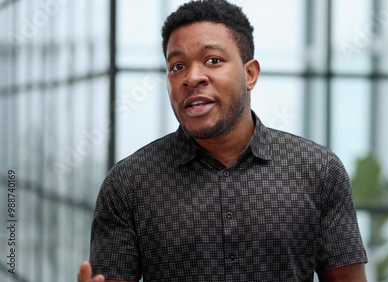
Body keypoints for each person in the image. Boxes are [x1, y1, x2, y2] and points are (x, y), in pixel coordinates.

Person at [78, 0, 368, 281]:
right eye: (177, 66)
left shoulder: (318, 169)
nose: (192, 78)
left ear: (250, 73)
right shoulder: (129, 183)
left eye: (212, 60)